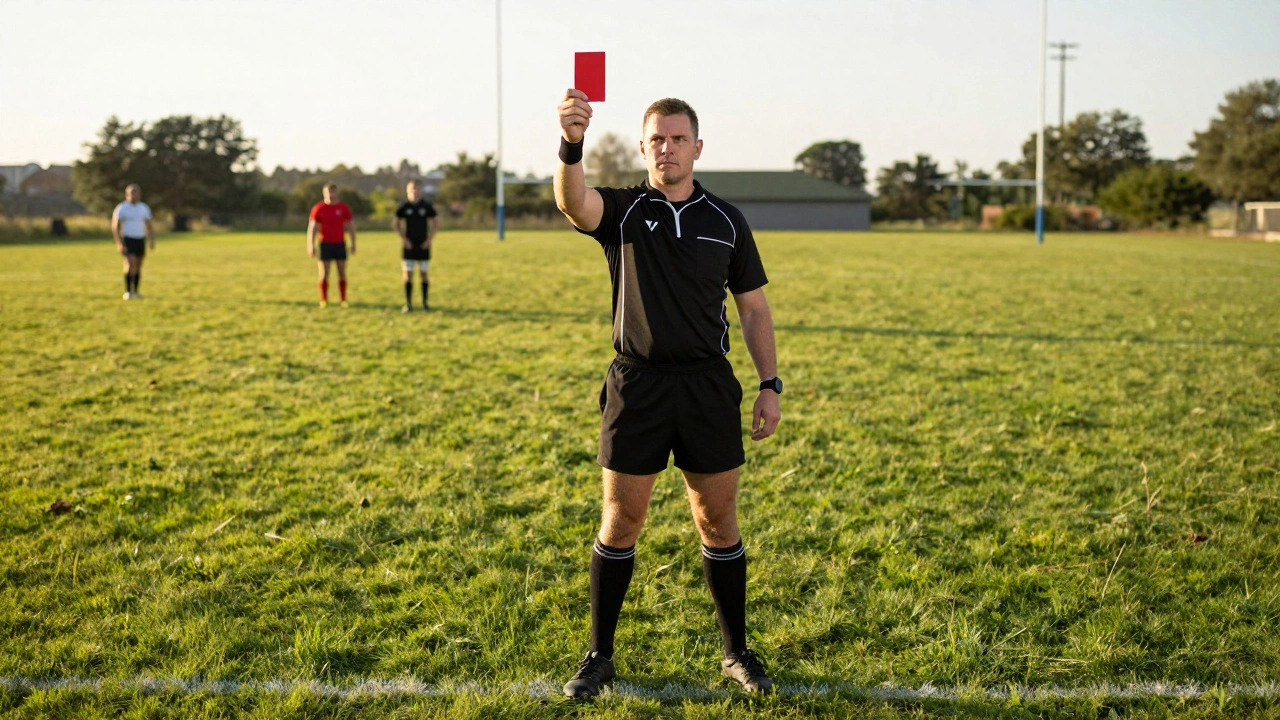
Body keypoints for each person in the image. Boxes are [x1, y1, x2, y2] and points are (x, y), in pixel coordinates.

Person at [554, 90, 783, 697]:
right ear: (642, 147)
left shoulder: (727, 220)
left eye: (679, 138)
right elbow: (574, 203)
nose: (668, 148)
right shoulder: (625, 212)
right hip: (638, 385)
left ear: (698, 147)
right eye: (657, 138)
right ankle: (599, 656)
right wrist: (572, 142)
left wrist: (769, 384)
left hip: (708, 385)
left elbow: (754, 309)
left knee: (718, 521)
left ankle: (737, 653)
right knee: (621, 520)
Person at [393, 180, 439, 312]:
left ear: (420, 191)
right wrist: (404, 239)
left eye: (417, 189)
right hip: (409, 246)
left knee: (424, 274)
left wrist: (429, 239)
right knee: (408, 275)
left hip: (423, 245)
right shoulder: (404, 207)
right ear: (408, 191)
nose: (414, 192)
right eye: (412, 190)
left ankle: (425, 303)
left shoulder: (426, 206)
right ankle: (408, 304)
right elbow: (395, 223)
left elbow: (436, 222)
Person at [307, 183, 356, 308]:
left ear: (336, 193)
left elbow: (351, 226)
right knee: (324, 273)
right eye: (328, 192)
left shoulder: (343, 208)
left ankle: (343, 300)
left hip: (340, 243)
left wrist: (353, 243)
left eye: (333, 191)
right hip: (325, 244)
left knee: (342, 272)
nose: (330, 194)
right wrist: (310, 245)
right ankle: (324, 300)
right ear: (324, 193)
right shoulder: (318, 208)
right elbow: (312, 228)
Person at [111, 184, 155, 300]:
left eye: (137, 194)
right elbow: (115, 226)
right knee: (130, 264)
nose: (134, 196)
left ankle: (135, 291)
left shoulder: (143, 208)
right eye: (132, 194)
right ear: (127, 195)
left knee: (138, 266)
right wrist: (119, 242)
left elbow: (149, 225)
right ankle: (127, 291)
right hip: (128, 239)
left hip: (140, 239)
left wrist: (151, 239)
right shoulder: (122, 208)